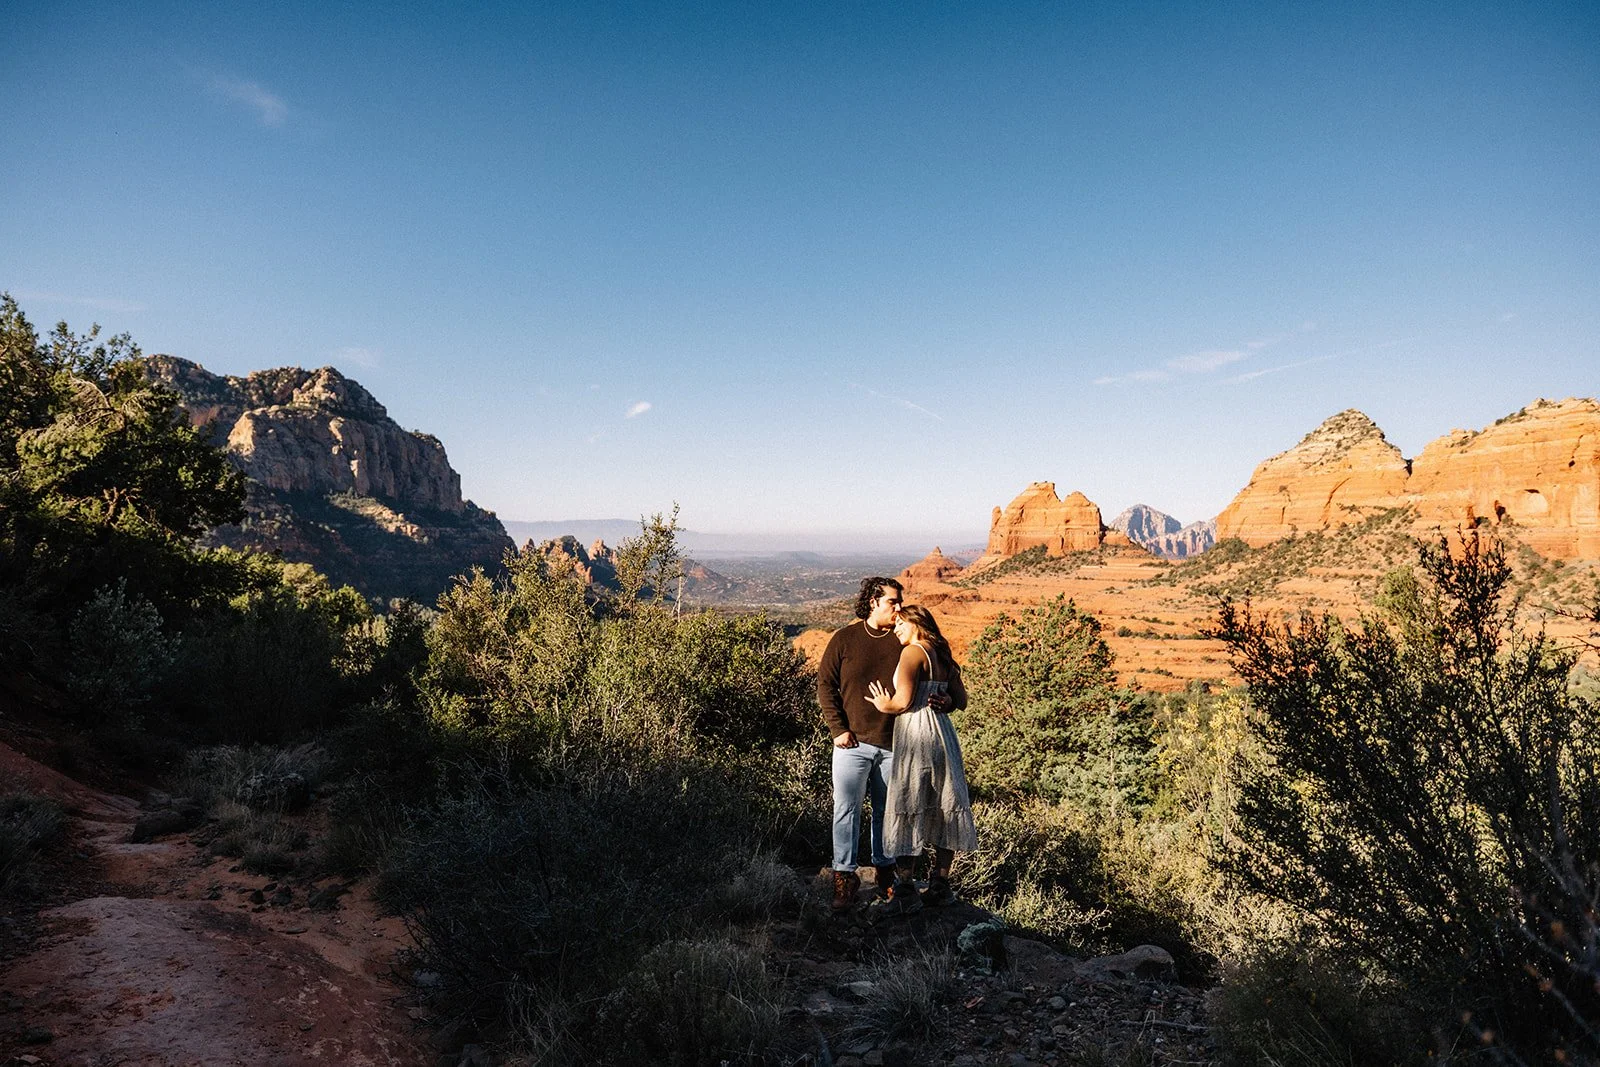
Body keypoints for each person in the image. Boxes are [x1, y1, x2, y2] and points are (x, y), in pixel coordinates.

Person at [818, 576, 950, 914]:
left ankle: (885, 874)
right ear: (873, 602)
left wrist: (945, 698)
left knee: (888, 813)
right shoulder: (845, 639)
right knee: (845, 810)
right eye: (893, 601)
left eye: (900, 601)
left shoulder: (905, 642)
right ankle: (844, 877)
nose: (899, 607)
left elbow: (934, 682)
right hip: (852, 743)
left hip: (897, 745)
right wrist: (838, 729)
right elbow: (825, 686)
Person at [865, 604, 977, 913]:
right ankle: (941, 883)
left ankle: (905, 887)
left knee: (908, 802)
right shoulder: (942, 654)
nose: (896, 629)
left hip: (916, 732)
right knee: (945, 804)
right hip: (943, 733)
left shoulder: (912, 653)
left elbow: (902, 703)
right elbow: (962, 701)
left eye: (900, 624)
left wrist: (882, 703)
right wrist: (948, 700)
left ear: (917, 624)